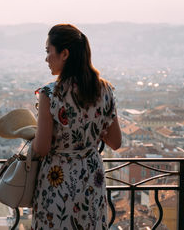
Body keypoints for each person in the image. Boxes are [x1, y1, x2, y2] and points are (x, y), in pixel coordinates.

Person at [31, 24, 122, 230]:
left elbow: (42, 148)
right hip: (91, 178)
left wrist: (33, 137)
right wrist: (92, 130)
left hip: (58, 180)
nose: (46, 58)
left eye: (48, 51)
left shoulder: (50, 94)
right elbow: (116, 142)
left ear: (64, 54)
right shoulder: (105, 89)